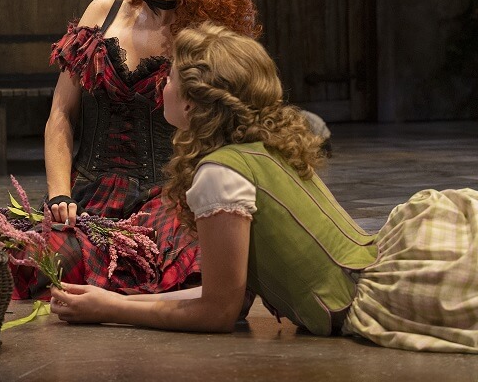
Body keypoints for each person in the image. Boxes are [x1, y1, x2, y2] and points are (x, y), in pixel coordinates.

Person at [50, 22, 476, 354]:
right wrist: (108, 300)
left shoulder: (219, 174)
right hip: (370, 268)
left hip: (363, 299)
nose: (163, 85)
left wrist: (113, 309)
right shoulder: (260, 147)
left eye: (172, 78)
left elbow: (219, 312)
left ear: (193, 103)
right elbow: (227, 296)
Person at [12, 0, 260, 300]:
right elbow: (60, 115)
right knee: (30, 262)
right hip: (89, 196)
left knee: (182, 269)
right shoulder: (103, 12)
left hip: (169, 200)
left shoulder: (207, 37)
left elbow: (226, 137)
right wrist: (58, 196)